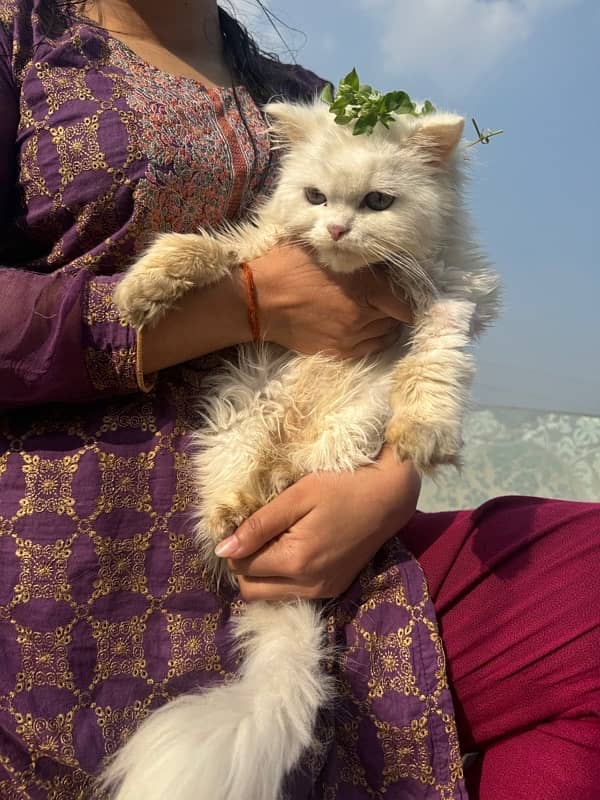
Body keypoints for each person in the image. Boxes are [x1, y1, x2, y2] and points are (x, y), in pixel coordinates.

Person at [0, 1, 597, 799]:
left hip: (336, 508)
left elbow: (424, 303)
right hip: (78, 529)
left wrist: (390, 482)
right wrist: (246, 302)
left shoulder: (305, 95)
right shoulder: (23, 38)